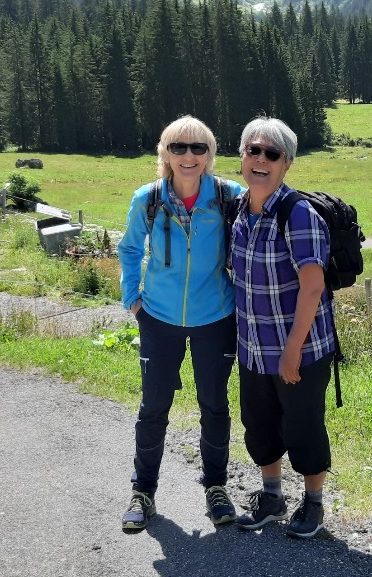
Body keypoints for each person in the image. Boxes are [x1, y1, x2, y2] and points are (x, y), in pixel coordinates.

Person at [118, 115, 244, 532]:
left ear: (210, 155)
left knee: (214, 404)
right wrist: (132, 300)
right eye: (179, 148)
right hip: (159, 318)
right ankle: (143, 492)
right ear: (165, 153)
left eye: (198, 148)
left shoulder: (228, 196)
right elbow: (130, 248)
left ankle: (216, 489)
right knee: (153, 406)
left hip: (216, 317)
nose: (188, 156)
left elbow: (268, 214)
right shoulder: (148, 198)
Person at [229, 116, 334, 539]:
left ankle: (313, 505)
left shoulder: (299, 214)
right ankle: (272, 497)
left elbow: (312, 288)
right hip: (253, 346)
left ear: (286, 164)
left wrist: (292, 349)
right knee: (260, 423)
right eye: (253, 150)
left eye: (271, 154)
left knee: (304, 425)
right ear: (242, 157)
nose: (260, 159)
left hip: (300, 350)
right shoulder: (239, 211)